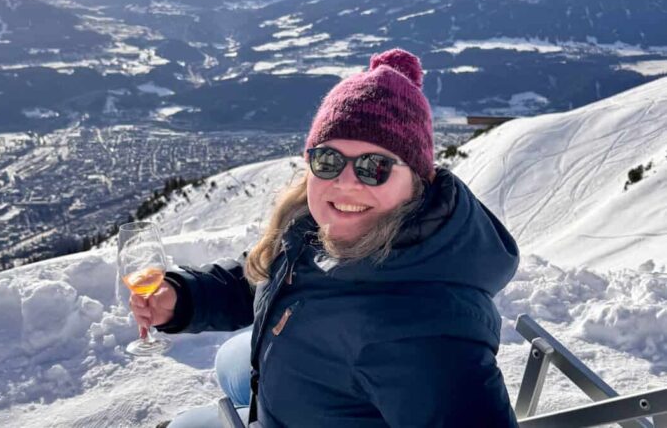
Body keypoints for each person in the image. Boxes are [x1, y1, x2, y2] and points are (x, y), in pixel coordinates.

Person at [130, 48, 520, 427]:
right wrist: (185, 297)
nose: (346, 182)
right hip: (295, 387)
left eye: (375, 166)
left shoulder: (427, 332)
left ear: (420, 180)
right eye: (329, 160)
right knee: (230, 361)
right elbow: (272, 276)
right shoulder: (320, 230)